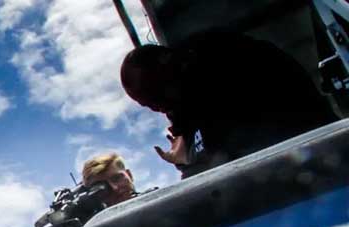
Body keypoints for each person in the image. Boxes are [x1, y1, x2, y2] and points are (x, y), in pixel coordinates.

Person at [120, 31, 338, 178]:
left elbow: (220, 176)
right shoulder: (194, 105)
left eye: (154, 97)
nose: (158, 109)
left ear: (168, 69)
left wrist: (188, 159)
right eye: (149, 105)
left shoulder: (229, 70)